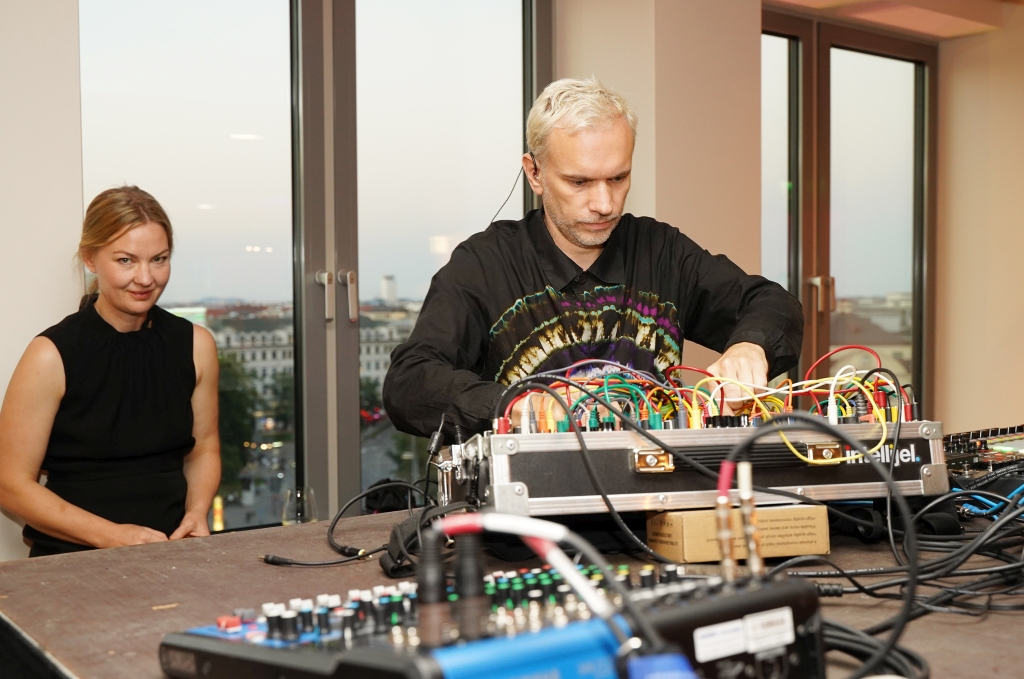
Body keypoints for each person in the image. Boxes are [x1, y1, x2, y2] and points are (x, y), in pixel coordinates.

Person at [383, 78, 803, 438]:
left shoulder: (661, 251)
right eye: (579, 182)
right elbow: (409, 383)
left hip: (654, 504)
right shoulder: (484, 264)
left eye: (618, 178)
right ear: (534, 173)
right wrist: (517, 407)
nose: (604, 204)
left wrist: (750, 346)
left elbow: (771, 302)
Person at [0, 186, 221, 557]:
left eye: (159, 259)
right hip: (72, 564)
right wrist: (112, 537)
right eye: (125, 260)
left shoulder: (196, 345)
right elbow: (9, 483)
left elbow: (204, 451)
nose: (146, 277)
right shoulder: (50, 355)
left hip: (172, 556)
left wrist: (197, 513)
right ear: (90, 259)